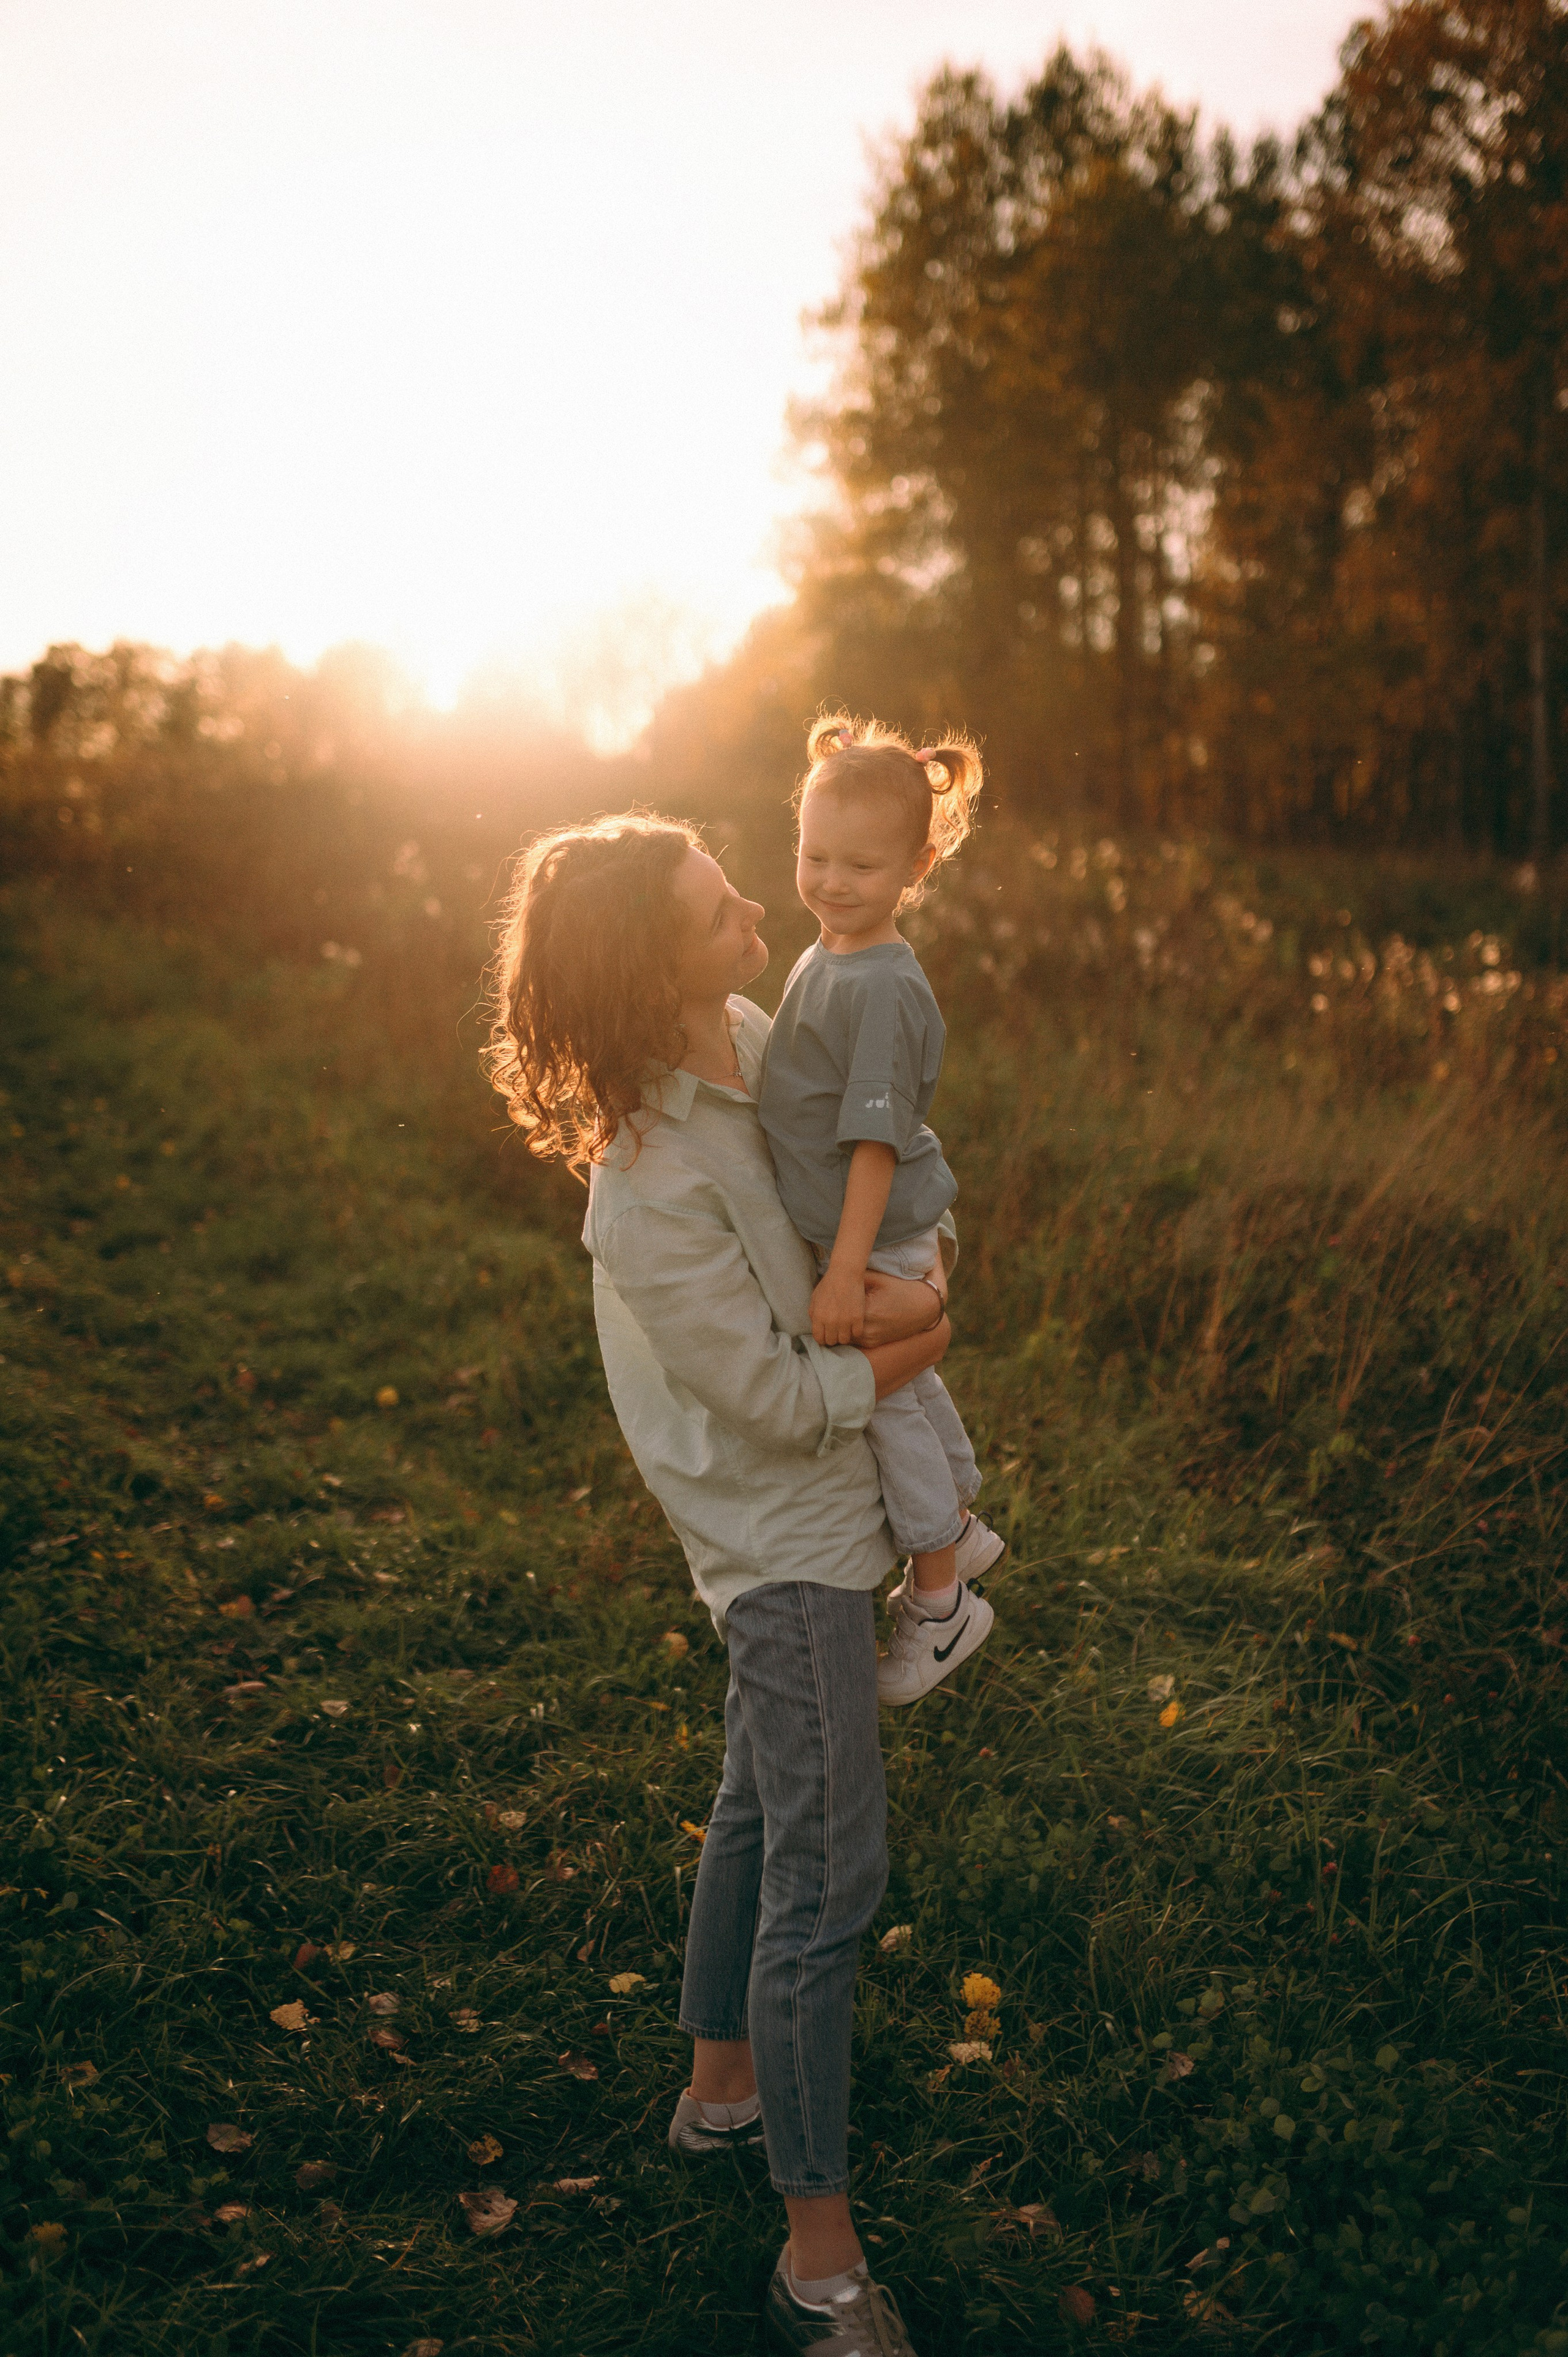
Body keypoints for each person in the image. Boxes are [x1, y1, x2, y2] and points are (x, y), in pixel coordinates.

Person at [484, 810, 949, 2356]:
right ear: (643, 973)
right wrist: (915, 1345)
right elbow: (766, 1398)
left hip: (828, 1490)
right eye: (710, 908)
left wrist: (899, 1279)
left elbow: (853, 1191)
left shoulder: (757, 1027)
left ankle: (717, 2097)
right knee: (828, 1876)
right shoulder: (644, 1184)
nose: (754, 902)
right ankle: (819, 2261)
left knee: (758, 1804)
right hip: (782, 1546)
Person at [758, 715, 1006, 1706]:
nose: (829, 881)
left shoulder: (885, 988)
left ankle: (942, 1601)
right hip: (867, 1228)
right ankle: (961, 1520)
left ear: (920, 863)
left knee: (885, 1397)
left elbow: (874, 1144)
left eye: (861, 865)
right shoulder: (834, 951)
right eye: (814, 855)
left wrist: (842, 1269)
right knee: (910, 1394)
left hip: (880, 1226)